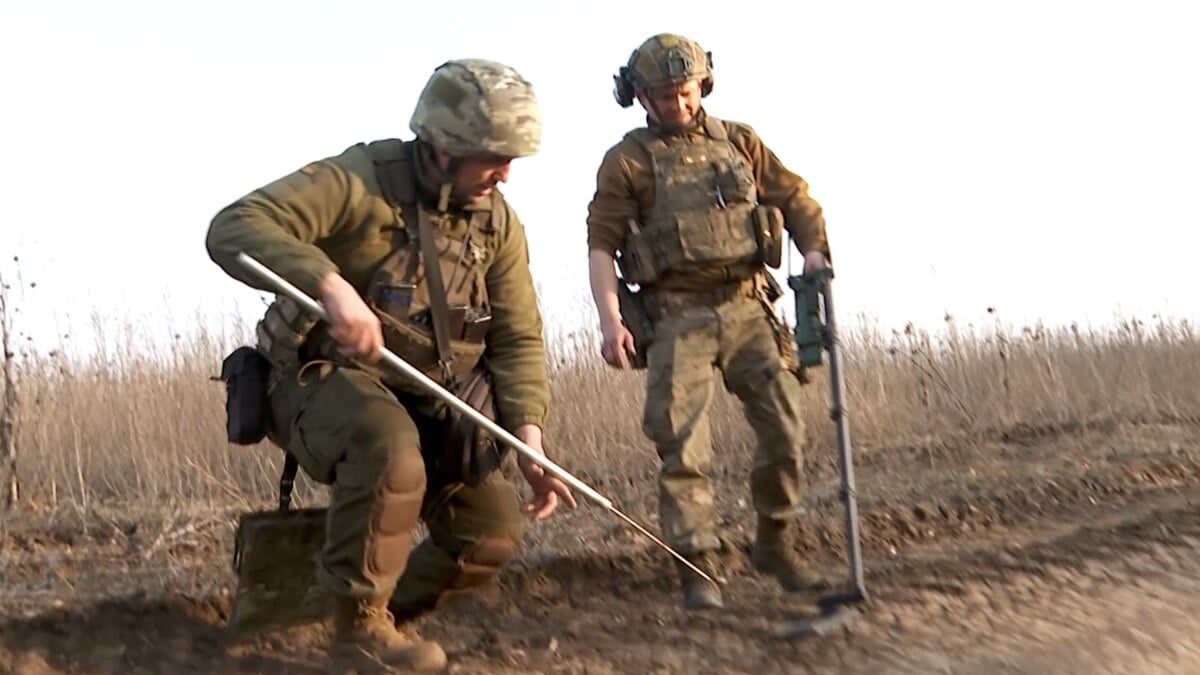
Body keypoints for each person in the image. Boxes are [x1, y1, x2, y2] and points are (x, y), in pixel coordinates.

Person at [207, 58, 577, 672]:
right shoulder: (358, 181)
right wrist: (329, 285)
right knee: (389, 445)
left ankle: (372, 613)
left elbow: (517, 338)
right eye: (493, 156)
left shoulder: (498, 225)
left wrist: (529, 436)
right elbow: (233, 226)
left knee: (491, 530)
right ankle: (359, 633)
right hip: (310, 378)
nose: (506, 174)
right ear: (444, 145)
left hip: (425, 395)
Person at [585, 33, 833, 611]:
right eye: (663, 96)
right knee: (683, 448)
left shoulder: (740, 142)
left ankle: (773, 542)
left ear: (704, 85)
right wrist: (609, 320)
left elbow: (796, 199)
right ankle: (698, 565)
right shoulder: (627, 161)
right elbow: (602, 246)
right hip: (675, 318)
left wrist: (815, 250)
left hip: (748, 309)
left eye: (686, 92)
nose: (677, 105)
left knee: (784, 429)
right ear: (640, 97)